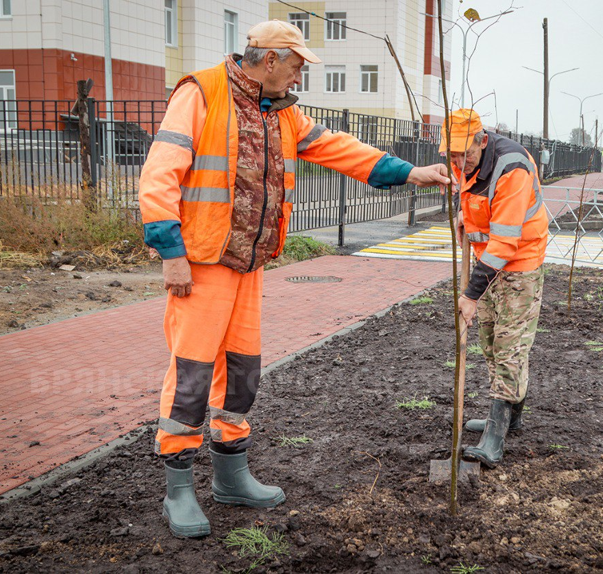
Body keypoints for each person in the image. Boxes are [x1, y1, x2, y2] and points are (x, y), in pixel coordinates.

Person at [138, 20, 451, 538]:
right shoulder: (200, 93)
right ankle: (179, 491)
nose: (300, 73)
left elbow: (340, 149)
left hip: (249, 264)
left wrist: (409, 172)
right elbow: (160, 173)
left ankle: (231, 476)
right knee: (192, 375)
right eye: (297, 63)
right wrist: (170, 252)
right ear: (269, 60)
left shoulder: (281, 112)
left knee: (242, 372)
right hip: (201, 264)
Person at [443, 109, 548, 469]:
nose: (458, 161)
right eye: (451, 155)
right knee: (490, 339)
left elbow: (504, 243)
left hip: (519, 263)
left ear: (482, 141)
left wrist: (470, 295)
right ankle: (510, 415)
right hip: (488, 263)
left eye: (463, 154)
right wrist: (464, 217)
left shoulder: (512, 167)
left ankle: (495, 439)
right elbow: (477, 202)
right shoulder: (463, 162)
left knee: (509, 345)